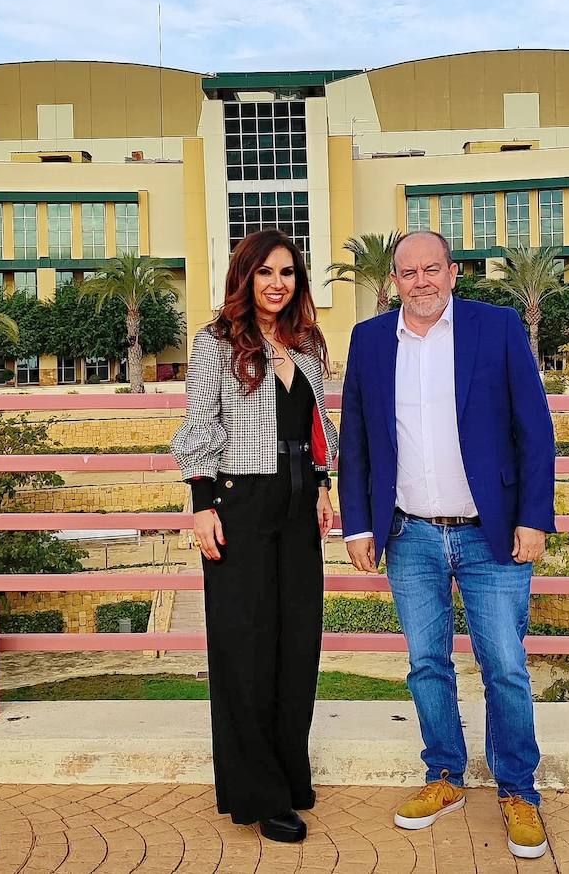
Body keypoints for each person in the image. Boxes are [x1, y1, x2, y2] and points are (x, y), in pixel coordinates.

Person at [338, 230, 555, 860]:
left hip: (492, 534)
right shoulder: (371, 340)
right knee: (426, 664)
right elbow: (357, 440)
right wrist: (359, 525)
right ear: (395, 280)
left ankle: (518, 790)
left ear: (453, 272)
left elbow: (534, 429)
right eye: (409, 273)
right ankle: (444, 777)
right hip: (410, 534)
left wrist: (534, 516)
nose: (422, 281)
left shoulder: (498, 327)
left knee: (506, 669)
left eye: (433, 269)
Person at [170, 228, 339, 844]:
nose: (277, 283)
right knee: (245, 649)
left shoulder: (309, 343)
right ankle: (258, 794)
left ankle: (290, 774)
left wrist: (323, 482)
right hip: (239, 500)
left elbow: (316, 423)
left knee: (298, 645)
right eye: (265, 272)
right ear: (245, 277)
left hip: (298, 502)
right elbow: (200, 422)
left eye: (288, 273)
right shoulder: (216, 342)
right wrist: (201, 502)